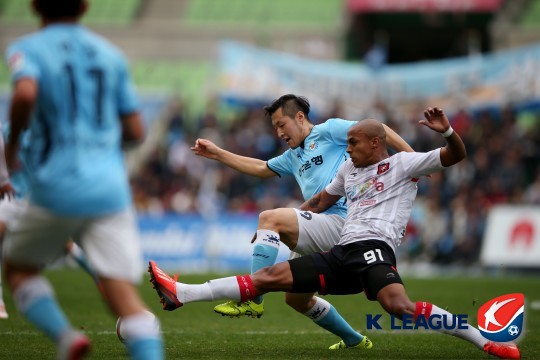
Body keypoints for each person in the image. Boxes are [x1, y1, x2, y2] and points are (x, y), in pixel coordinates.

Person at [149, 107, 520, 359]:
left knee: (399, 307)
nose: (349, 148)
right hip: (342, 251)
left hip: (375, 249)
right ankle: (181, 293)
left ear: (375, 143)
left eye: (354, 143)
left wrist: (449, 132)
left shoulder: (403, 164)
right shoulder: (349, 171)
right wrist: (274, 227)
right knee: (268, 278)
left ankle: (485, 341)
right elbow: (317, 204)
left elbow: (455, 156)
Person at [3, 1, 163, 359]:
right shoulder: (111, 55)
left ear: (33, 6)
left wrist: (12, 148)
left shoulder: (27, 48)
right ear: (86, 7)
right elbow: (136, 130)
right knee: (124, 298)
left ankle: (64, 337)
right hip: (109, 190)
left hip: (55, 187)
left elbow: (25, 92)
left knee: (18, 268)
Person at [190, 94, 413, 349]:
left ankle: (253, 297)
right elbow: (261, 168)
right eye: (275, 128)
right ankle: (354, 340)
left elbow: (379, 129)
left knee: (269, 217)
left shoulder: (328, 131)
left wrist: (411, 157)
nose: (279, 132)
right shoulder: (293, 156)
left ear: (299, 117)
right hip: (319, 223)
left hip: (344, 221)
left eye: (281, 124)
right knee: (296, 299)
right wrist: (218, 154)